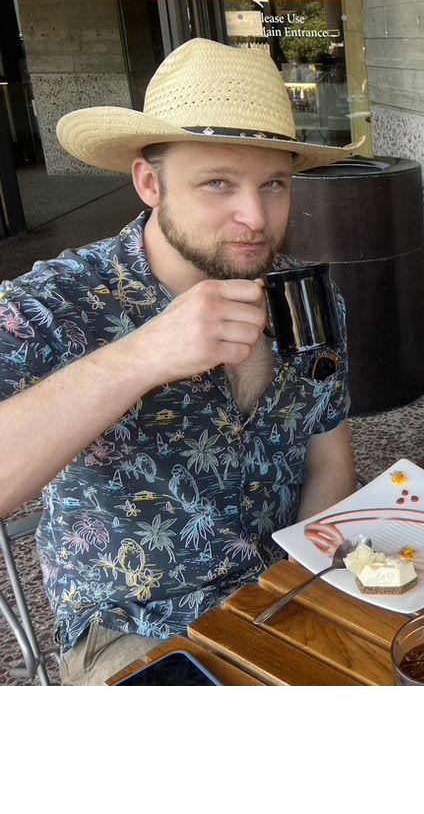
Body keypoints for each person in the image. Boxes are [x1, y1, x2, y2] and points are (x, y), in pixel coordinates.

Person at [0, 38, 365, 684]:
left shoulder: (305, 296)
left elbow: (329, 460)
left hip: (289, 585)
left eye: (274, 185)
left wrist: (307, 584)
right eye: (218, 183)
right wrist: (141, 356)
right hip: (138, 628)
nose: (255, 217)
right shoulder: (55, 304)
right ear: (150, 183)